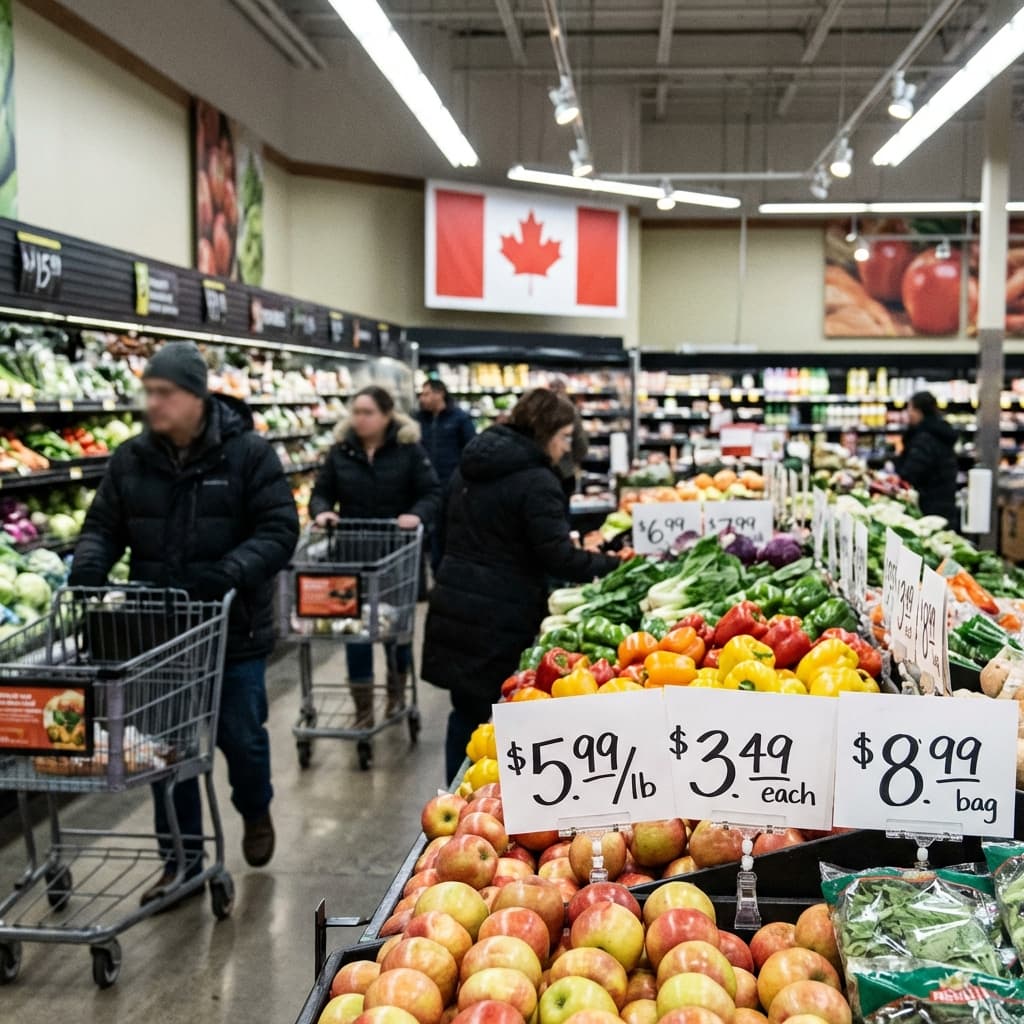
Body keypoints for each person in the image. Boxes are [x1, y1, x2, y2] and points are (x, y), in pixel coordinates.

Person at [69, 342, 299, 903]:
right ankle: (182, 861)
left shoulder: (248, 455)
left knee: (240, 739)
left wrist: (228, 572)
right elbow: (103, 525)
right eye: (148, 392)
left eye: (164, 393)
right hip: (160, 634)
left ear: (196, 397)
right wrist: (89, 566)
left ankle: (255, 808)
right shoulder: (130, 459)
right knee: (165, 751)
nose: (153, 403)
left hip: (232, 628)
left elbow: (278, 530)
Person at [422, 388, 622, 782]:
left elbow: (443, 536)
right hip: (502, 614)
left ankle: (457, 799)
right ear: (545, 429)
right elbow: (558, 556)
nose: (566, 446)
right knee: (504, 722)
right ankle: (493, 807)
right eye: (564, 436)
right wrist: (613, 565)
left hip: (454, 602)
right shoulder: (536, 480)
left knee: (465, 715)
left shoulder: (468, 466)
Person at [309, 386, 440, 725]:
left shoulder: (409, 450)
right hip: (350, 556)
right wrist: (322, 511)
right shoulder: (340, 451)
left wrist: (417, 514)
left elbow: (432, 493)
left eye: (367, 412)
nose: (360, 419)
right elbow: (321, 493)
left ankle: (396, 693)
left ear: (386, 416)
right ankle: (363, 710)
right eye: (356, 412)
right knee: (355, 633)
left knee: (395, 633)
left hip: (396, 556)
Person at [417, 379, 476, 569]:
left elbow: (471, 449)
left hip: (450, 484)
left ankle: (443, 569)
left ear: (439, 393)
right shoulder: (418, 419)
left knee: (446, 530)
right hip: (424, 485)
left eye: (426, 394)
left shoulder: (459, 418)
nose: (422, 398)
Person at [895, 390, 960, 526]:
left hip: (928, 506)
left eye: (910, 408)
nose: (908, 413)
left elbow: (911, 473)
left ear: (919, 411)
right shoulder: (941, 433)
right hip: (945, 502)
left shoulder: (924, 438)